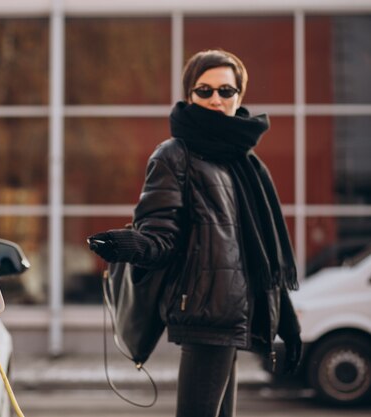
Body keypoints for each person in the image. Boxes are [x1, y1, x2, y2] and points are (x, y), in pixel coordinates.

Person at [88, 49, 302, 417]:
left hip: (236, 316)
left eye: (225, 90)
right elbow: (161, 237)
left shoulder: (245, 162)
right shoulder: (175, 155)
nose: (216, 99)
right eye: (204, 91)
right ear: (189, 95)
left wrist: (288, 321)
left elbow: (263, 252)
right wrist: (131, 244)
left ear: (240, 97)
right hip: (205, 314)